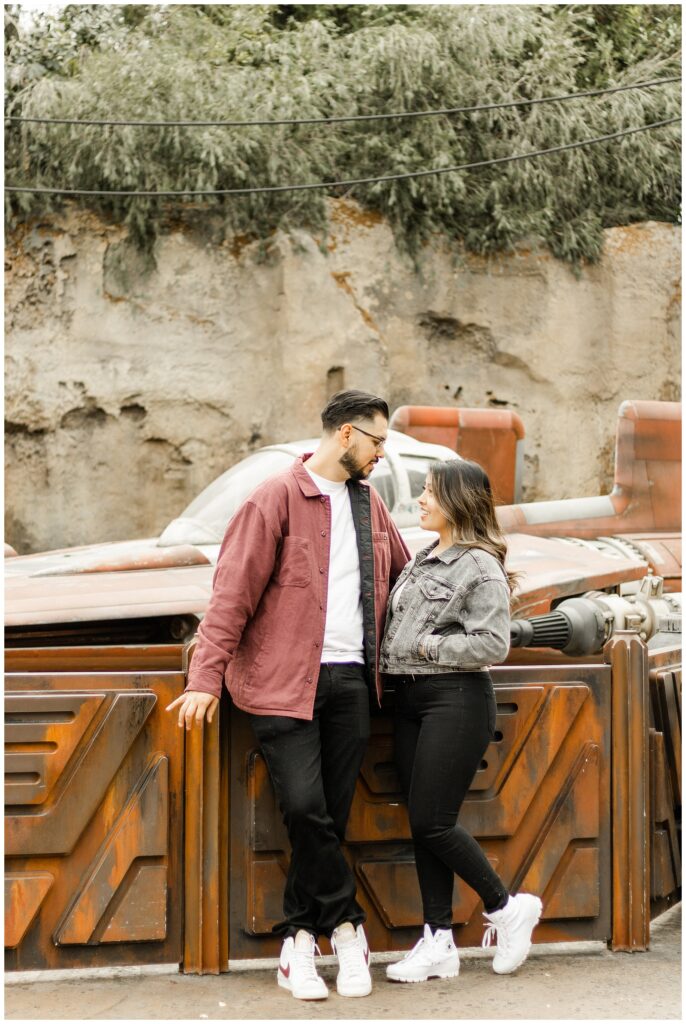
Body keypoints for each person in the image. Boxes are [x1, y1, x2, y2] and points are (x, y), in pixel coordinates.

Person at [167, 389, 409, 1001]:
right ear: (347, 436)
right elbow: (230, 597)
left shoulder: (368, 503)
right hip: (280, 684)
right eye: (378, 441)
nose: (383, 453)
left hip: (353, 679)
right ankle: (349, 929)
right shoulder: (273, 498)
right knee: (305, 808)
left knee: (327, 814)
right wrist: (204, 681)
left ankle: (298, 943)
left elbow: (406, 578)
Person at [379, 458, 542, 984]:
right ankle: (438, 942)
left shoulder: (479, 565)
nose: (421, 501)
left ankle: (506, 907)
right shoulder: (426, 557)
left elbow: (494, 643)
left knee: (433, 821)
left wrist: (426, 645)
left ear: (457, 501)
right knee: (423, 825)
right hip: (409, 699)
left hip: (455, 698)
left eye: (429, 492)